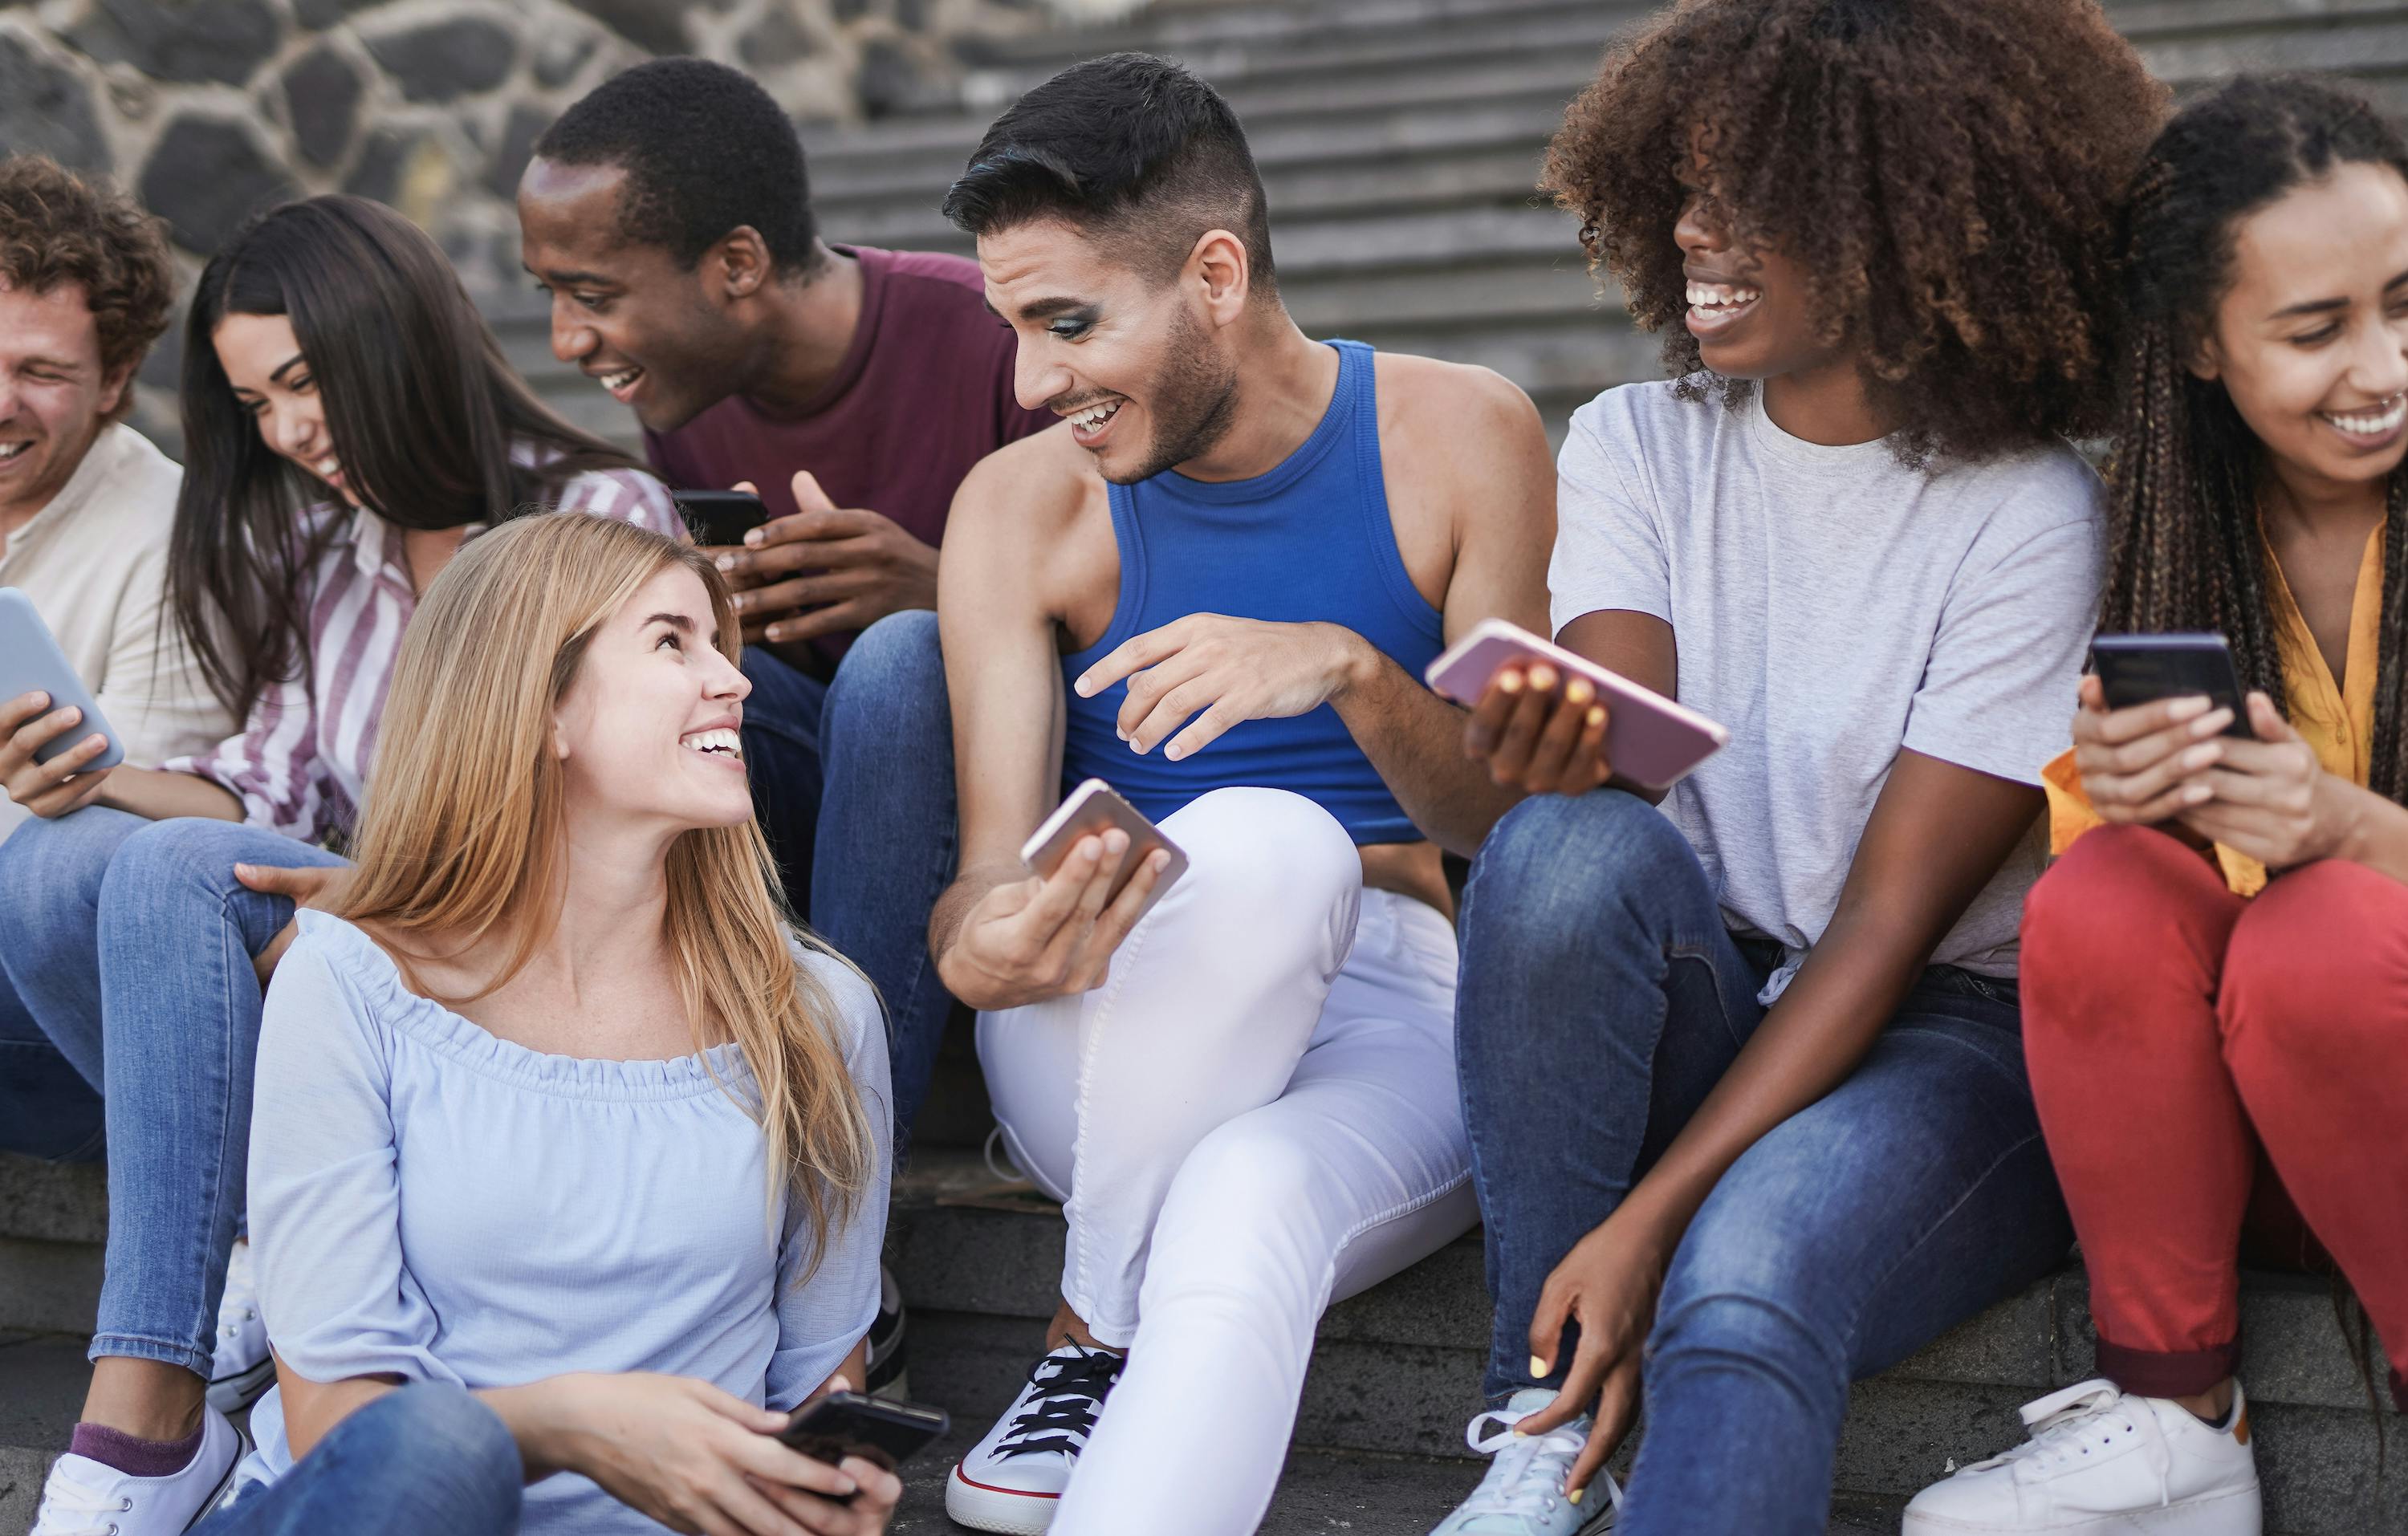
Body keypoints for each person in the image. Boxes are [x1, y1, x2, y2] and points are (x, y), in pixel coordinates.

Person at [1419, 4, 2166, 1534]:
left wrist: (1647, 1219)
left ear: (1910, 223)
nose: (1697, 225)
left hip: (1951, 1035)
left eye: (1757, 194)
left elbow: (1887, 935)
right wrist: (1535, 750)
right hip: (1727, 978)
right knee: (1564, 850)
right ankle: (1539, 1429)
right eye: (1688, 180)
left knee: (1741, 1281)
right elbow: (1615, 773)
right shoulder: (1637, 439)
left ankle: (1622, 1345)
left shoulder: (2026, 515)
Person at [895, 52, 1557, 1536]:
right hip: (1106, 1009)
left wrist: (1347, 671)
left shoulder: (1464, 435)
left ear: (1214, 273)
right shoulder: (1020, 503)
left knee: (1250, 1197)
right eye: (1014, 328)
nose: (1030, 381)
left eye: (1067, 323)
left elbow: (1511, 827)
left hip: (1393, 1009)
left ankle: (1097, 1333)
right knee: (1257, 843)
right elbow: (986, 873)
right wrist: (982, 940)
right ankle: (1094, 1314)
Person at [3, 195, 681, 1536]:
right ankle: (246, 1255)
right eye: (258, 403)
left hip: (540, 983)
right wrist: (85, 771)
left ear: (398, 337)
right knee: (61, 862)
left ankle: (148, 1405)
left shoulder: (599, 513)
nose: (288, 430)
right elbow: (262, 786)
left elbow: (633, 832)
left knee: (171, 879)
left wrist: (383, 905)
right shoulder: (337, 557)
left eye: (304, 382)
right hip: (368, 962)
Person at [36, 513, 902, 1535]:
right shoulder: (353, 981)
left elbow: (820, 1387)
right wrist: (573, 1425)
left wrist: (836, 1487)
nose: (734, 680)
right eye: (674, 641)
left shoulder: (815, 1013)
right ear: (541, 709)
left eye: (721, 644)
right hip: (381, 1513)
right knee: (431, 1446)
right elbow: (344, 1426)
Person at [1905, 75, 2408, 1536]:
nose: (2381, 363)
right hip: (2287, 1130)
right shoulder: (2181, 538)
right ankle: (2178, 1421)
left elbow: (2331, 904)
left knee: (2321, 933)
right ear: (2198, 343)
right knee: (2105, 890)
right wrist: (2130, 802)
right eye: (2317, 330)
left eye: (2404, 301)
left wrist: (2350, 830)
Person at [519, 57, 1053, 961]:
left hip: (1018, 792)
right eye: (553, 296)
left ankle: (854, 1072)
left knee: (900, 661)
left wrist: (943, 592)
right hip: (818, 786)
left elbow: (1147, 616)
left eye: (595, 296)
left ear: (737, 264)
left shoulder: (993, 342)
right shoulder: (688, 394)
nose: (567, 340)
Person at [0, 156, 230, 1163]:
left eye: (40, 374)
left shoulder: (178, 540)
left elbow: (113, 866)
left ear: (117, 383)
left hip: (58, 975)